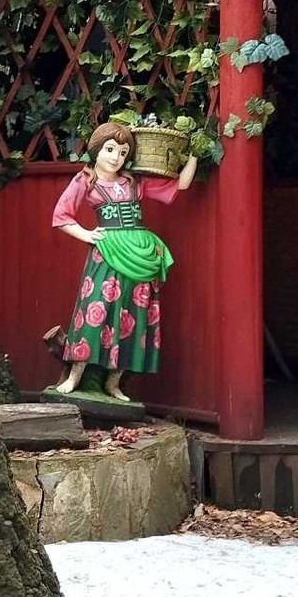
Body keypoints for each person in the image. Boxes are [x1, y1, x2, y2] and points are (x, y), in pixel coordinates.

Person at [50, 121, 198, 401]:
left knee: (134, 316)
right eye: (109, 150)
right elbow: (61, 216)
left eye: (122, 152)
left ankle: (114, 382)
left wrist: (194, 155)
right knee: (94, 310)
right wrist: (87, 234)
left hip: (140, 254)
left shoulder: (133, 181)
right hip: (107, 253)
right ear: (96, 150)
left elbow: (180, 184)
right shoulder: (85, 180)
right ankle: (74, 376)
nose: (115, 158)